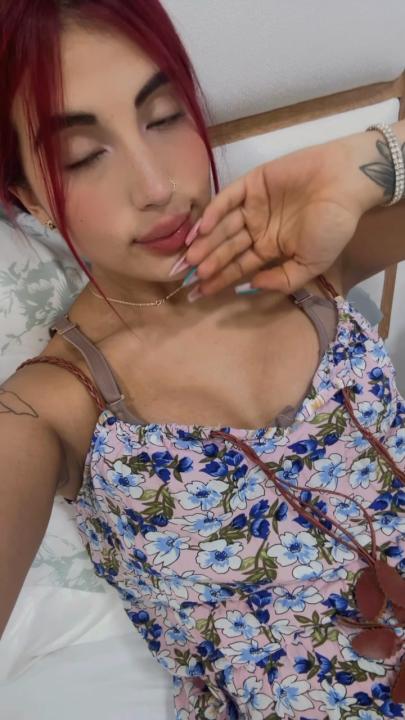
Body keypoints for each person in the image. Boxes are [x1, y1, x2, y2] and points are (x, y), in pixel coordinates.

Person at [1, 1, 405, 718]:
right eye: (83, 156)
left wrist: (363, 167)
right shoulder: (49, 407)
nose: (157, 186)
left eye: (164, 117)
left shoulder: (307, 258)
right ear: (30, 198)